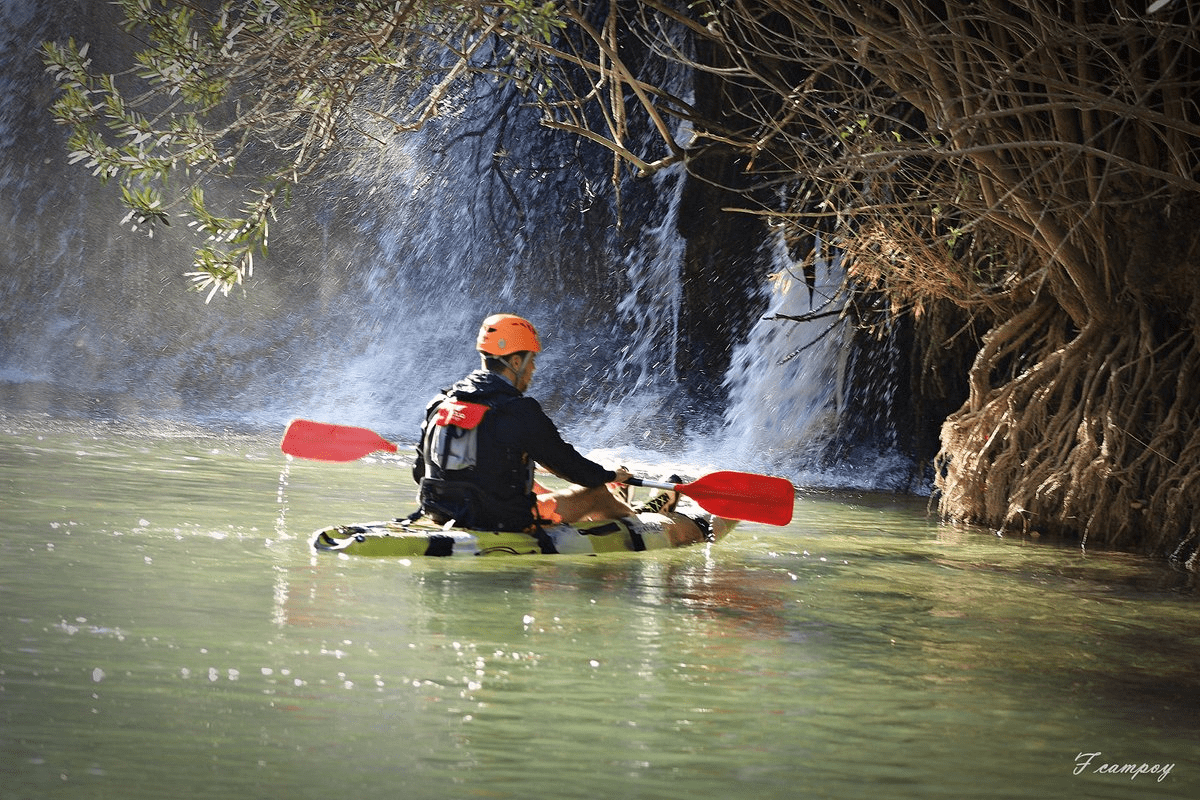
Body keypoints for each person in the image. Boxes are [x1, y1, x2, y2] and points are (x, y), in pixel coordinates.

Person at [412, 313, 727, 547]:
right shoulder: (518, 410)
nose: (533, 370)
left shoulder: (440, 402)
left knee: (535, 485)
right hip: (500, 521)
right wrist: (610, 475)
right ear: (516, 361)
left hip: (440, 512)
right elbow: (572, 469)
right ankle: (641, 520)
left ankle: (635, 504)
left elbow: (420, 471)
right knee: (597, 493)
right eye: (531, 361)